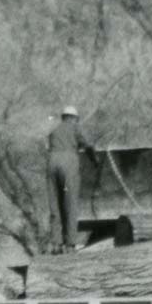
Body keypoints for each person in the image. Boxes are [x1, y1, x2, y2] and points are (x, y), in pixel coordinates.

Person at [45, 106, 90, 248]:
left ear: (63, 117)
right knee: (70, 204)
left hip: (52, 163)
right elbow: (86, 144)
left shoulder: (53, 129)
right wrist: (94, 159)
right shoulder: (75, 128)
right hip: (68, 163)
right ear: (73, 118)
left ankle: (56, 244)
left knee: (55, 205)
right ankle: (70, 243)